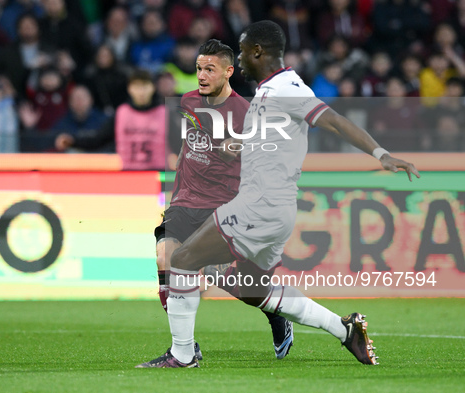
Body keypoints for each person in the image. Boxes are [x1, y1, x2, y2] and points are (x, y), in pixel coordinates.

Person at [137, 21, 420, 369]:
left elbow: (334, 121)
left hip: (256, 207)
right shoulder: (268, 92)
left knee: (181, 261)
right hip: (275, 210)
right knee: (258, 292)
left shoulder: (287, 88)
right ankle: (345, 330)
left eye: (241, 52)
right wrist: (239, 145)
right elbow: (273, 140)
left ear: (257, 51)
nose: (239, 60)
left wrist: (380, 154)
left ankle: (182, 355)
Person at [153, 39, 294, 363]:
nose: (201, 75)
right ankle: (184, 347)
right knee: (165, 258)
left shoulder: (247, 112)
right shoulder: (188, 102)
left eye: (209, 69)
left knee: (228, 279)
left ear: (229, 72)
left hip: (222, 203)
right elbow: (189, 143)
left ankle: (276, 315)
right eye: (199, 68)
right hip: (185, 200)